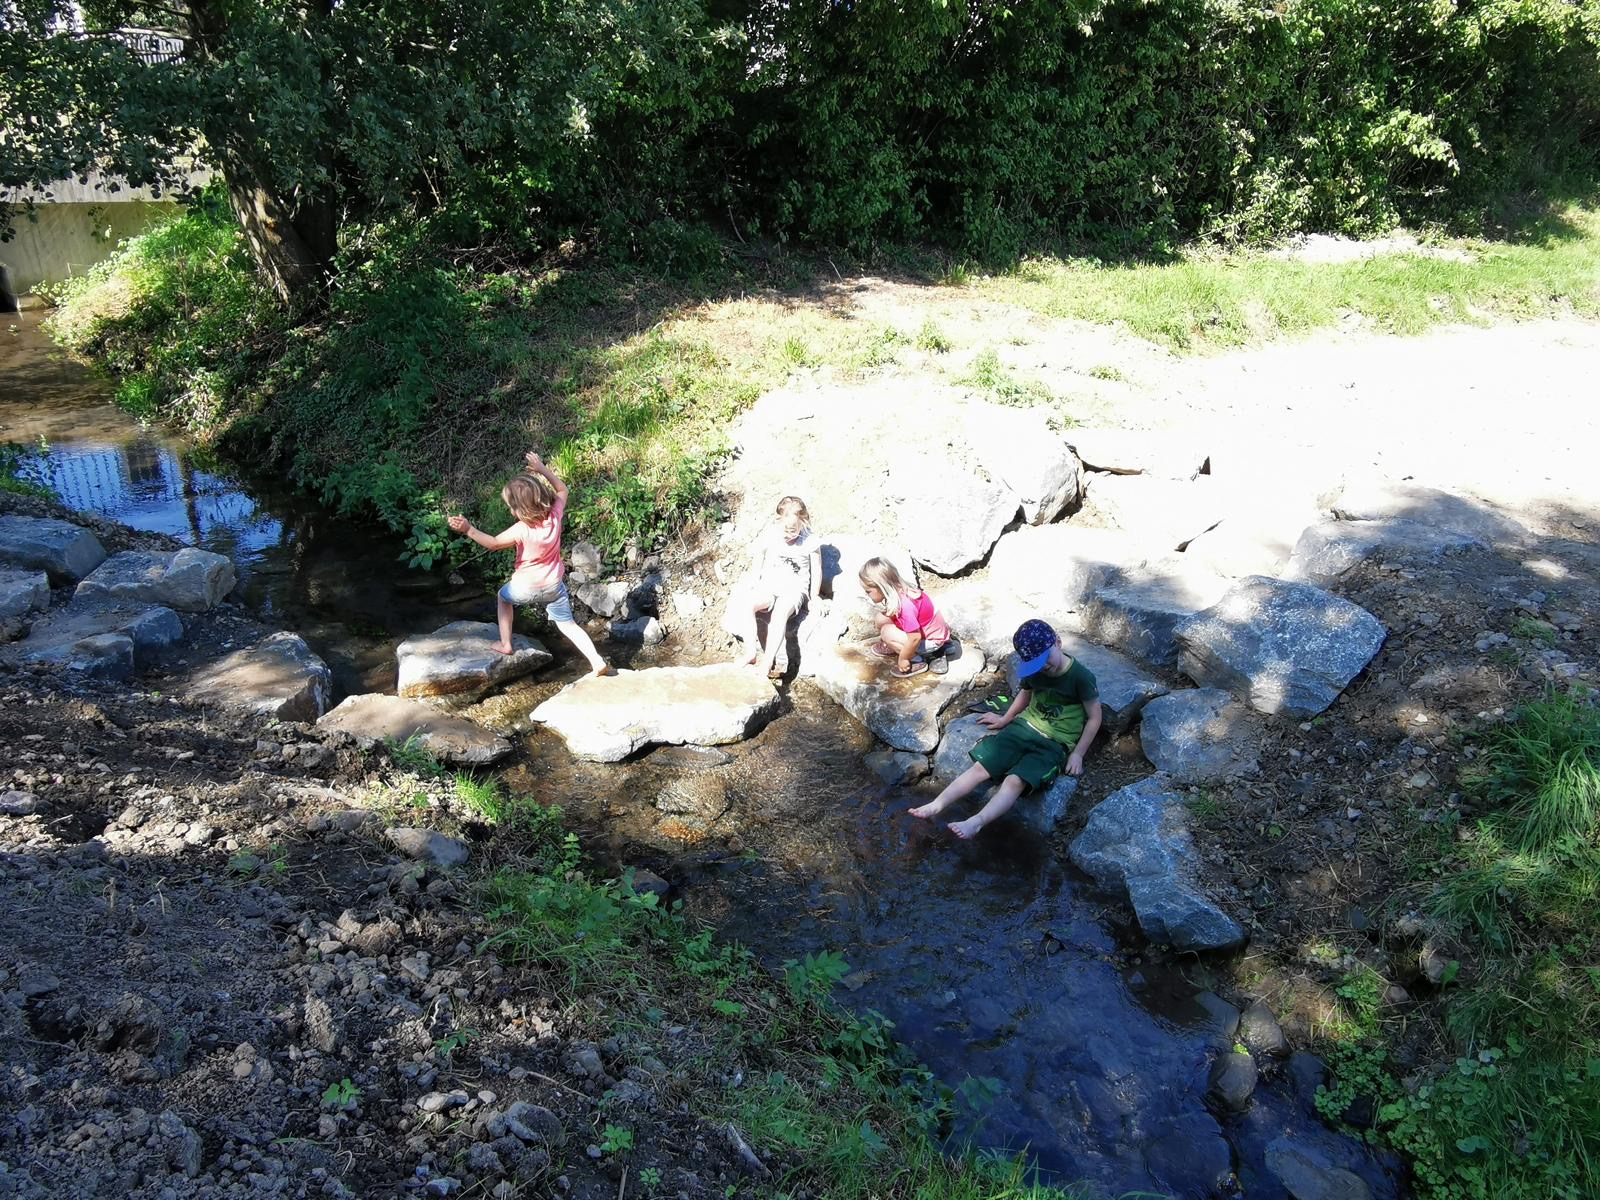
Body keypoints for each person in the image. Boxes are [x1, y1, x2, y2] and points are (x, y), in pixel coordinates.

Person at [909, 618, 1101, 839]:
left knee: (1014, 781)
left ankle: (977, 822)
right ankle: (937, 804)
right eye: (1036, 664)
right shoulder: (1036, 670)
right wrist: (1006, 718)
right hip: (1024, 727)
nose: (1043, 667)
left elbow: (1094, 718)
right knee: (981, 767)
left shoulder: (1080, 677)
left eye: (1044, 659)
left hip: (1055, 742)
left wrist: (1078, 754)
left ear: (1058, 643)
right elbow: (1025, 694)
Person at [446, 451, 613, 676]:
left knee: (502, 598)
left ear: (519, 510)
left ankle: (506, 644)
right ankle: (596, 660)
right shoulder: (554, 515)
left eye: (511, 507)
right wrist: (542, 469)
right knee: (568, 625)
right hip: (554, 587)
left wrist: (468, 529)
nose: (510, 510)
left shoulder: (521, 529)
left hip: (524, 588)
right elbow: (563, 490)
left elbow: (493, 543)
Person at [729, 495, 822, 679]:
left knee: (779, 614)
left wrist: (814, 596)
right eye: (785, 529)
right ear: (778, 521)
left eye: (793, 530)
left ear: (802, 522)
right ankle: (750, 652)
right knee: (748, 603)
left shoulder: (809, 540)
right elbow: (759, 555)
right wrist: (755, 578)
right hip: (770, 585)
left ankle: (767, 662)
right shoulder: (771, 534)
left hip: (794, 589)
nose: (788, 534)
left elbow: (817, 569)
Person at [858, 556, 951, 678]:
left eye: (868, 591)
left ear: (882, 587)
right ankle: (893, 646)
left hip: (931, 641)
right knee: (881, 618)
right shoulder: (900, 591)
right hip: (926, 631)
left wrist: (903, 658)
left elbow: (915, 638)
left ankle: (915, 660)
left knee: (887, 633)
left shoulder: (905, 606)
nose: (866, 594)